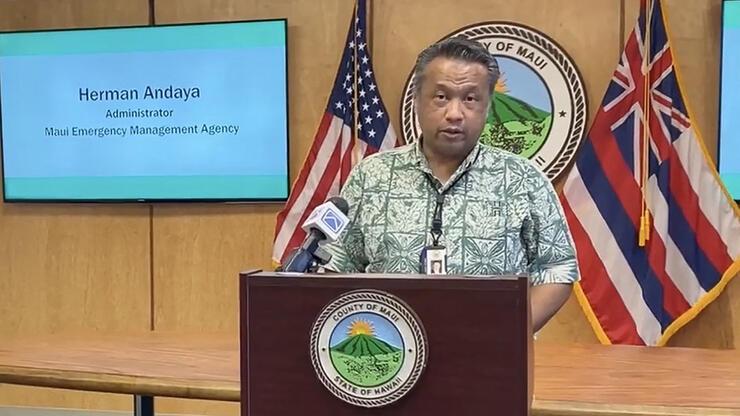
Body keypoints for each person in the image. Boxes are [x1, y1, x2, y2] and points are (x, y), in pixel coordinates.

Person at [323, 37, 578, 331]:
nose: (455, 113)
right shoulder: (371, 175)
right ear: (417, 100)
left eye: (470, 99)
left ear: (487, 106)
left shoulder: (523, 178)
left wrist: (508, 335)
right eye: (441, 97)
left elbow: (557, 268)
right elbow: (338, 265)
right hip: (389, 350)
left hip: (490, 354)